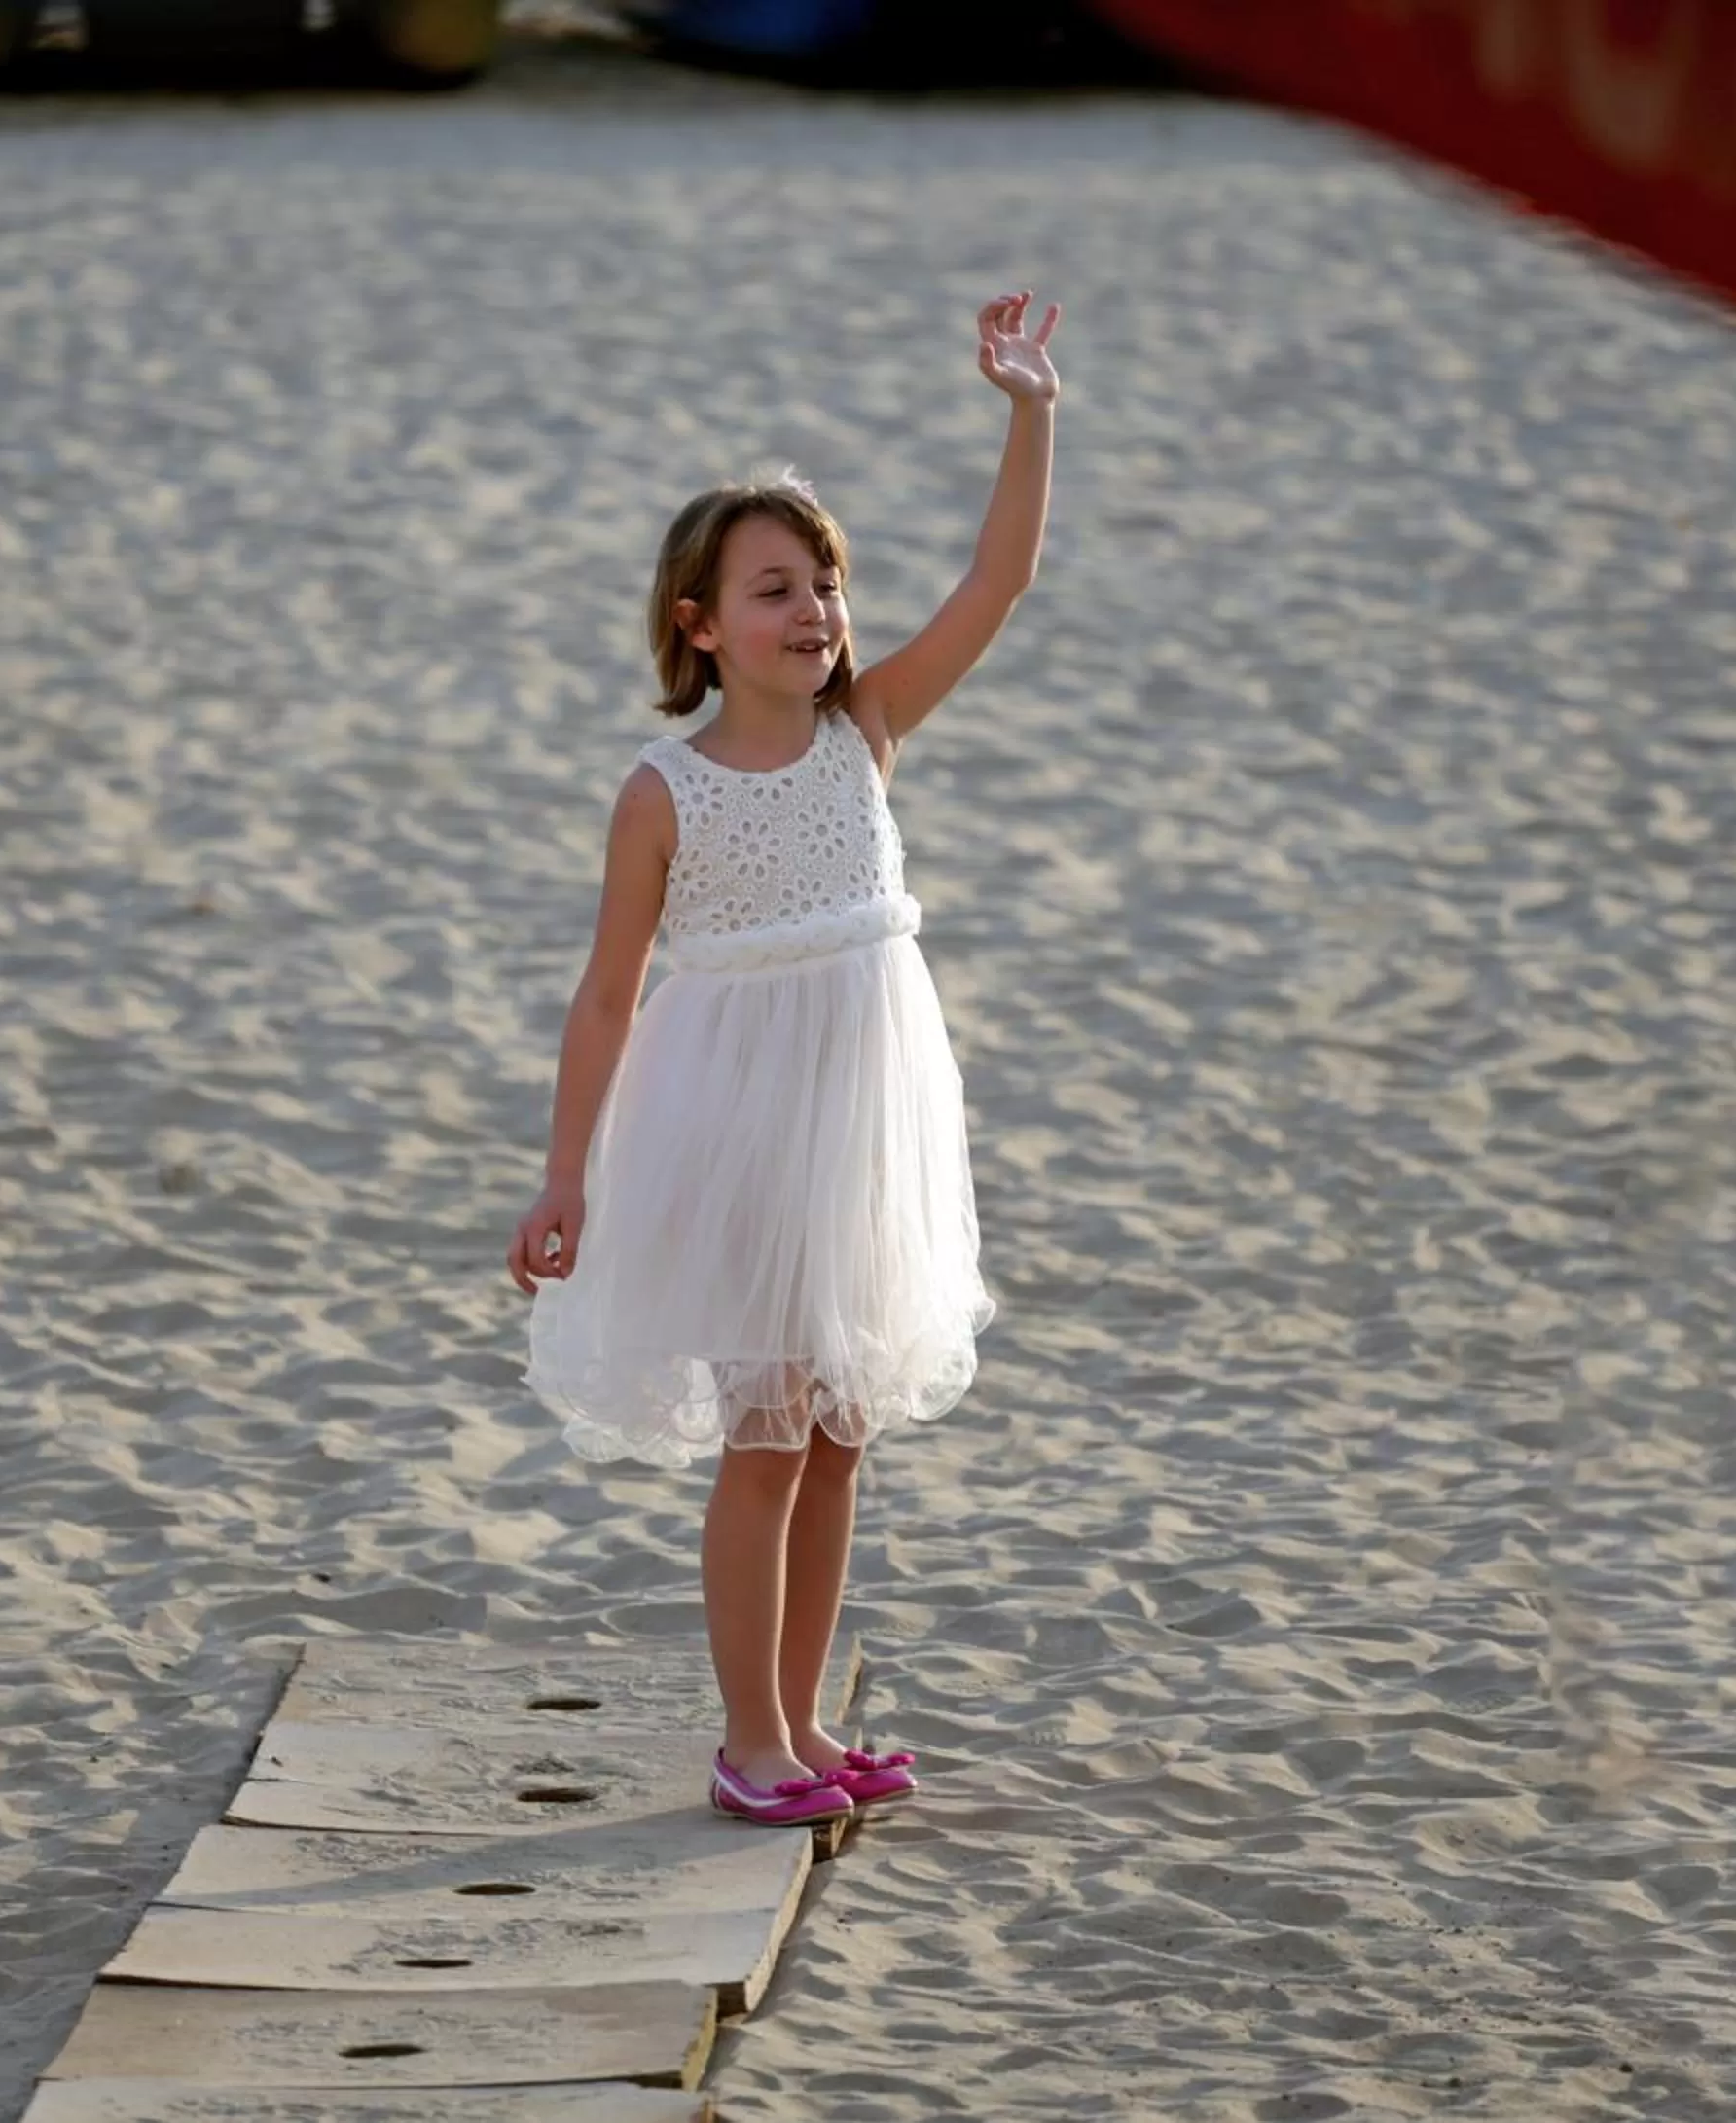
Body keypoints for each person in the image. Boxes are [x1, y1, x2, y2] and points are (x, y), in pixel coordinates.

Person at [508, 290, 1061, 1826]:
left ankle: (806, 1722)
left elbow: (1000, 578)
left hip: (862, 1130)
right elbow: (610, 996)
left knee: (838, 1435)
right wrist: (565, 1177)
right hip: (735, 1130)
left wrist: (1030, 407)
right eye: (773, 589)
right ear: (699, 624)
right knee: (761, 1438)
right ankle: (748, 1738)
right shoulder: (663, 790)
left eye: (822, 584)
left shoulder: (864, 732)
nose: (814, 611)